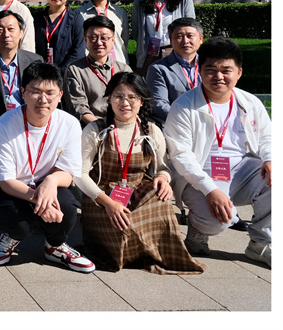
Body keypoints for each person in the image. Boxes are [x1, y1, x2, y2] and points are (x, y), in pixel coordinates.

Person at [75, 72, 204, 273]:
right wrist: (109, 204)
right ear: (109, 99)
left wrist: (163, 178)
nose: (125, 103)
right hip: (102, 196)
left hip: (139, 191)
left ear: (142, 101)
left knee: (161, 197)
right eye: (118, 96)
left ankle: (155, 250)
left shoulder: (152, 131)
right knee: (121, 226)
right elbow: (79, 174)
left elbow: (163, 168)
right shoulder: (95, 130)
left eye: (132, 97)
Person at [165, 37, 271, 267]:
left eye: (226, 70)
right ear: (199, 71)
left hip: (242, 171)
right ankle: (198, 230)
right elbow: (181, 155)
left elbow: (267, 137)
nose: (218, 76)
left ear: (239, 73)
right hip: (198, 175)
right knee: (220, 220)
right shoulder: (183, 106)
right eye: (211, 70)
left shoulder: (250, 102)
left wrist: (270, 159)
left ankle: (260, 243)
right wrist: (210, 190)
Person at [0, 62, 95, 273]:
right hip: (10, 185)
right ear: (23, 93)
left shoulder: (70, 124)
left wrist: (51, 181)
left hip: (46, 182)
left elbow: (68, 174)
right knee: (18, 223)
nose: (43, 99)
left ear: (60, 95)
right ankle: (10, 236)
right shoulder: (5, 124)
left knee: (68, 208)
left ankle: (54, 247)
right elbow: (6, 182)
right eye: (35, 92)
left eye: (50, 93)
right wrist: (41, 201)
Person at [63, 16, 133, 126]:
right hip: (91, 128)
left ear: (112, 40)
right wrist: (103, 127)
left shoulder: (124, 69)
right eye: (93, 38)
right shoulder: (75, 70)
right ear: (85, 40)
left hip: (122, 125)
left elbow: (133, 101)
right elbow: (78, 107)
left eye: (104, 38)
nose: (99, 42)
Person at [132, 0, 195, 72]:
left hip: (176, 52)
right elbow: (136, 31)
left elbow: (191, 29)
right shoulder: (140, 1)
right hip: (149, 54)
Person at [146, 17, 204, 125]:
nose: (185, 41)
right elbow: (158, 104)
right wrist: (187, 120)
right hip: (176, 125)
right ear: (170, 39)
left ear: (201, 39)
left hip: (209, 122)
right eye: (179, 36)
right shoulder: (159, 68)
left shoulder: (210, 66)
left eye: (190, 36)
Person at [74, 0, 130, 64]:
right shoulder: (79, 14)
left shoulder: (120, 13)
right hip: (89, 66)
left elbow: (124, 40)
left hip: (118, 65)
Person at [33, 0, 85, 77]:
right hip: (39, 75)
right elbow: (31, 47)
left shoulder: (76, 19)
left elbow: (78, 51)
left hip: (66, 75)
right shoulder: (37, 18)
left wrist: (60, 73)